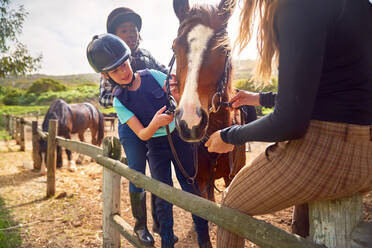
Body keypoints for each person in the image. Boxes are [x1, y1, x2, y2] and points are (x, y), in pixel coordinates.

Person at [205, 0, 372, 247]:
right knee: (302, 219)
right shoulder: (359, 6)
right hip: (366, 156)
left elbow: (290, 123)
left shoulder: (298, 6)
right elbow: (332, 89)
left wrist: (229, 136)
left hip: (327, 155)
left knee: (231, 207)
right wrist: (260, 98)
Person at [87, 33, 211, 248]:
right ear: (106, 76)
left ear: (129, 60)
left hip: (179, 140)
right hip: (155, 147)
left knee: (190, 187)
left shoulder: (153, 75)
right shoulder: (119, 101)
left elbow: (177, 94)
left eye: (124, 65)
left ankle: (204, 236)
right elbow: (143, 134)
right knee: (162, 196)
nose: (123, 72)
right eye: (115, 71)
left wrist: (177, 96)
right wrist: (155, 123)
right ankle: (166, 241)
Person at [98, 7, 170, 246]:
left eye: (134, 29)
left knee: (159, 174)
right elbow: (104, 99)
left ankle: (161, 223)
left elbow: (168, 79)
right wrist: (127, 93)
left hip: (156, 123)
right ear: (115, 36)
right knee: (138, 173)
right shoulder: (110, 64)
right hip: (131, 127)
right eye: (125, 30)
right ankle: (141, 226)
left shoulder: (148, 57)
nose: (132, 34)